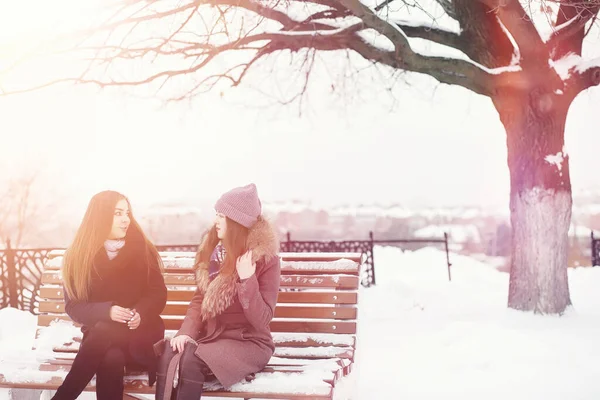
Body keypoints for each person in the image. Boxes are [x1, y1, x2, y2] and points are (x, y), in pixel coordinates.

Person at [155, 183, 281, 400]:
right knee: (172, 352)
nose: (215, 221)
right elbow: (199, 301)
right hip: (214, 339)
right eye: (216, 214)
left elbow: (262, 320)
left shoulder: (264, 260)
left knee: (191, 358)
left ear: (237, 222)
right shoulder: (214, 255)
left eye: (221, 216)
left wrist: (247, 278)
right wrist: (186, 332)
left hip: (249, 343)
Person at [52, 190, 167, 400]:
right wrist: (108, 311)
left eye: (127, 213)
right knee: (110, 357)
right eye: (118, 213)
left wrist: (141, 312)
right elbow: (74, 307)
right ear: (101, 217)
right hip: (102, 341)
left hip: (139, 336)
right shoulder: (79, 256)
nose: (126, 220)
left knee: (105, 335)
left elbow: (158, 294)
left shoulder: (142, 249)